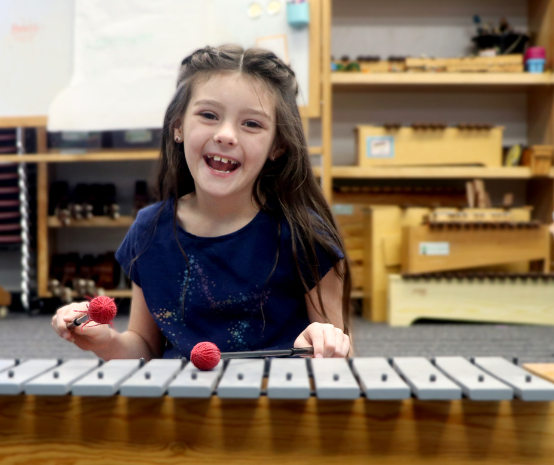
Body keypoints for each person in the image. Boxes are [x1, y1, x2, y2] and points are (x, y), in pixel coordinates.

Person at [52, 45, 352, 361]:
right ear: (179, 126)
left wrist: (323, 345)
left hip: (271, 404)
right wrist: (104, 341)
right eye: (209, 115)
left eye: (252, 123)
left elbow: (340, 361)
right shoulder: (150, 230)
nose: (226, 135)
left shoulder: (305, 235)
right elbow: (145, 346)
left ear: (278, 145)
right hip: (182, 405)